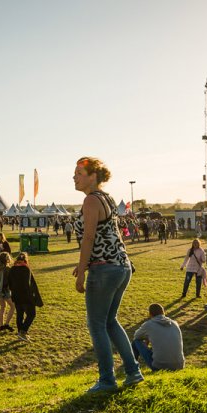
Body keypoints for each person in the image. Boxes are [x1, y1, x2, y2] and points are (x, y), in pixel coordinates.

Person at [72, 156, 143, 393]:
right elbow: (108, 235)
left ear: (93, 177)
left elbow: (90, 237)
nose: (74, 177)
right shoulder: (107, 198)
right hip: (121, 265)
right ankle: (133, 372)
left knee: (96, 324)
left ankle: (107, 380)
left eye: (79, 173)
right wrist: (83, 264)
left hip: (104, 269)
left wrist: (82, 271)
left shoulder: (91, 201)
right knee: (110, 322)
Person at [131, 303, 185, 372]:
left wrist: (147, 338)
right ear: (163, 312)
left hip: (159, 367)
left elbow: (136, 336)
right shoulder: (175, 323)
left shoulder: (149, 325)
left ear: (150, 314)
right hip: (179, 365)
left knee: (136, 342)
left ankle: (133, 369)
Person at [6, 251, 42, 340]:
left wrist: (13, 291)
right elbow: (30, 284)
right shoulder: (26, 269)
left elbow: (9, 283)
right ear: (26, 260)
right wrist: (34, 297)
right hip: (26, 296)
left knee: (20, 315)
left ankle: (20, 333)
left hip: (16, 296)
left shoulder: (12, 269)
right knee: (31, 314)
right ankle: (23, 331)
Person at [0, 251, 16, 331]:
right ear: (7, 259)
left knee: (3, 307)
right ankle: (6, 324)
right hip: (5, 290)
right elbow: (10, 281)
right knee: (13, 306)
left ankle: (1, 325)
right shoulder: (8, 269)